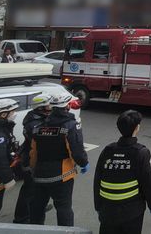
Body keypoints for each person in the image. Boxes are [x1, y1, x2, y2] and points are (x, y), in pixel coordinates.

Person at [29, 92, 89, 227]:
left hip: (40, 174)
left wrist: (34, 169)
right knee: (64, 208)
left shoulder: (39, 126)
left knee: (37, 208)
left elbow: (33, 152)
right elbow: (77, 149)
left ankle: (34, 230)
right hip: (62, 175)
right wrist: (84, 163)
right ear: (67, 106)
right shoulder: (70, 125)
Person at [94, 110, 151, 234]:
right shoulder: (141, 153)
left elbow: (97, 179)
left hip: (107, 210)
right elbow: (148, 182)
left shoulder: (107, 150)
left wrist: (98, 205)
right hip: (132, 213)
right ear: (137, 128)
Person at [14, 94, 53, 224]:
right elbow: (42, 141)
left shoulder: (36, 117)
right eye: (48, 105)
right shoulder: (35, 124)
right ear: (41, 108)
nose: (51, 107)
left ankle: (36, 208)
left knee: (36, 190)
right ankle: (21, 218)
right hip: (31, 160)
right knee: (29, 190)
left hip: (33, 158)